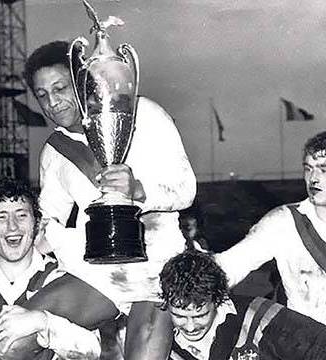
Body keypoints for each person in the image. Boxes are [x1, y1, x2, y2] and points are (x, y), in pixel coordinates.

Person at [24, 40, 197, 359]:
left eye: (60, 88)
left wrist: (138, 190)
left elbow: (186, 190)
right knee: (16, 339)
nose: (53, 103)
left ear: (82, 81)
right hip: (98, 269)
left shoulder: (143, 113)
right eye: (42, 95)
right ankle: (92, 349)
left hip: (156, 265)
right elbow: (47, 220)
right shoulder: (54, 150)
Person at [0, 179, 110, 360]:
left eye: (22, 215)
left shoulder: (57, 275)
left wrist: (43, 322)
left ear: (37, 223)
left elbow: (92, 349)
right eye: (1, 217)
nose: (13, 226)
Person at [216, 131, 326, 324]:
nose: (313, 179)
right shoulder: (283, 222)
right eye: (308, 169)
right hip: (305, 343)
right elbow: (230, 266)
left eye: (323, 169)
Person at [159, 249, 326, 360]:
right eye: (179, 316)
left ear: (218, 299)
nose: (190, 327)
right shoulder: (159, 344)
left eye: (200, 315)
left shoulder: (259, 315)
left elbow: (320, 344)